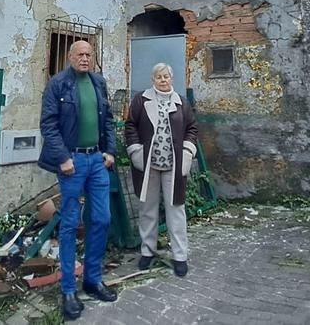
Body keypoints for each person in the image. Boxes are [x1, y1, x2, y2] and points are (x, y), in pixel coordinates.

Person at [38, 40, 118, 321]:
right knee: (71, 224)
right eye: (80, 54)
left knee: (102, 218)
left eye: (89, 54)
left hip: (97, 160)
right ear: (70, 57)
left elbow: (108, 118)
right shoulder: (58, 84)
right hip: (71, 162)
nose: (85, 58)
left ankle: (93, 280)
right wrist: (63, 158)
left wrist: (109, 150)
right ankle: (69, 290)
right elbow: (48, 123)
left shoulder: (98, 82)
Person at [124, 62, 198, 277]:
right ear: (153, 80)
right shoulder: (141, 100)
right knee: (147, 208)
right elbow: (131, 126)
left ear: (171, 79)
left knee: (176, 209)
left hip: (173, 166)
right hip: (148, 164)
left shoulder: (181, 103)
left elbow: (192, 128)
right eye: (159, 77)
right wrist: (136, 151)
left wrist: (186, 151)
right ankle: (147, 251)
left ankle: (180, 256)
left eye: (166, 76)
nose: (163, 80)